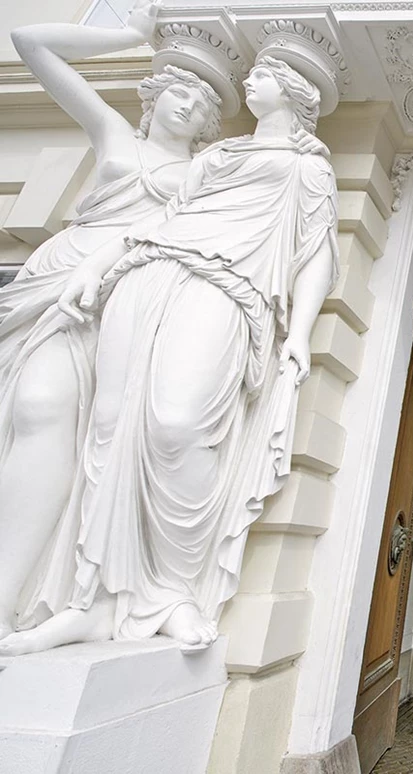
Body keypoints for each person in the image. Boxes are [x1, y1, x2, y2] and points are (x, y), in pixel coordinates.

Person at [0, 56, 338, 656]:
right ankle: (93, 600)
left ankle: (172, 593)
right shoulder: (213, 157)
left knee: (176, 426)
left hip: (230, 285)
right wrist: (96, 265)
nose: (249, 79)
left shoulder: (306, 166)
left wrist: (300, 332)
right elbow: (158, 221)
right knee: (108, 430)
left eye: (264, 72)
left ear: (291, 90)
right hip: (145, 273)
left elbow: (316, 254)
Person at [0, 0, 222, 639]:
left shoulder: (203, 176)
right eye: (179, 91)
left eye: (203, 104)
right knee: (32, 412)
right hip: (56, 276)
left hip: (125, 294)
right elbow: (28, 40)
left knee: (80, 424)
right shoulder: (115, 136)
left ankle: (41, 589)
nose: (189, 106)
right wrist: (126, 33)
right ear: (153, 99)